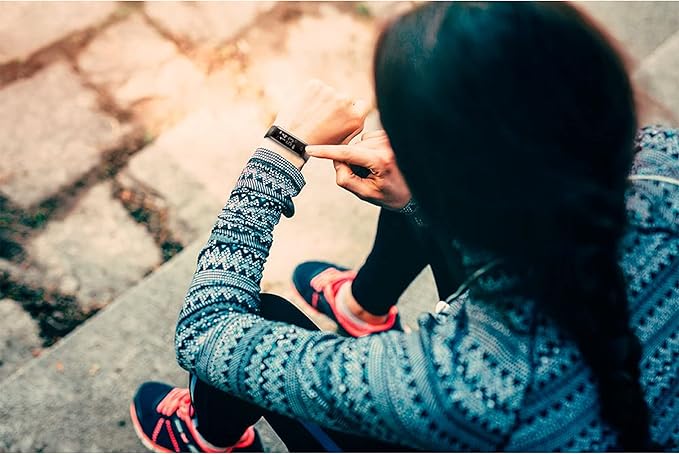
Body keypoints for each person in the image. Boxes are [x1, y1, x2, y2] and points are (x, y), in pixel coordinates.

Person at [130, 2, 678, 451]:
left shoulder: (453, 383)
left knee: (261, 315)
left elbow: (206, 333)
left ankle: (209, 436)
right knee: (408, 199)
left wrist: (279, 152)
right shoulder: (664, 162)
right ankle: (360, 307)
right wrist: (418, 200)